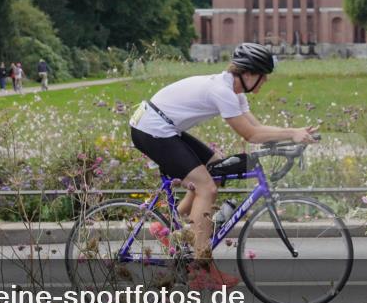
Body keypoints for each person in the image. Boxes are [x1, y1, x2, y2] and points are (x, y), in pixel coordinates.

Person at [129, 42, 317, 288]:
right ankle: (201, 270)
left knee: (216, 168)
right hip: (151, 130)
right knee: (207, 188)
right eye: (263, 76)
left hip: (163, 126)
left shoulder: (235, 91)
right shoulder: (223, 91)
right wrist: (291, 133)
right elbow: (251, 135)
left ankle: (172, 231)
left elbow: (257, 128)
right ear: (248, 74)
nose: (265, 82)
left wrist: (285, 138)